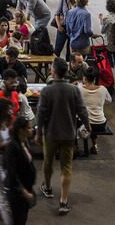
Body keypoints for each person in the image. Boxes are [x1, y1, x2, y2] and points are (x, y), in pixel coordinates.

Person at [36, 57, 89, 215]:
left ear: (53, 71)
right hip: (68, 134)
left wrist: (38, 133)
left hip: (51, 133)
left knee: (48, 162)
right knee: (66, 167)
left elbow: (41, 114)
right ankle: (64, 200)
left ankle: (47, 186)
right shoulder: (73, 90)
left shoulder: (47, 90)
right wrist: (87, 124)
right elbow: (82, 110)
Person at [4, 117, 36, 225]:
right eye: (29, 128)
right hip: (17, 193)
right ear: (21, 130)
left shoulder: (24, 143)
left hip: (25, 188)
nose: (32, 130)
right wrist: (24, 191)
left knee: (22, 219)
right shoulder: (12, 147)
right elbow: (12, 173)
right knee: (18, 220)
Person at [80, 69, 112, 154]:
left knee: (76, 119)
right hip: (100, 123)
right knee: (93, 119)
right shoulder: (103, 89)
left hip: (85, 124)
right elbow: (109, 100)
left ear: (85, 78)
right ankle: (94, 144)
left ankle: (75, 145)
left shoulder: (80, 89)